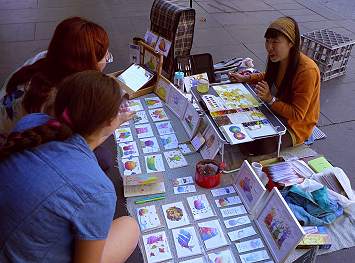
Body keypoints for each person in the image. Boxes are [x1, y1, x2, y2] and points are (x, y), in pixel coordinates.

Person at [0, 71, 139, 263]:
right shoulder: (97, 190)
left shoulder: (31, 123)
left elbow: (87, 137)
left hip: (16, 241)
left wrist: (113, 121)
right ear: (108, 121)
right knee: (130, 227)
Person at [0, 17, 113, 140]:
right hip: (11, 151)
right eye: (105, 57)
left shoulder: (42, 58)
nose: (107, 58)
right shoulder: (61, 98)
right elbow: (84, 141)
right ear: (88, 65)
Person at [229, 16, 320, 154]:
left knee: (261, 143)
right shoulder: (280, 58)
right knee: (240, 126)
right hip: (276, 112)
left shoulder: (307, 70)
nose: (269, 47)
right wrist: (245, 78)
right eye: (267, 41)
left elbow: (297, 114)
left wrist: (270, 99)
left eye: (275, 42)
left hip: (295, 126)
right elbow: (268, 75)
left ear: (291, 43)